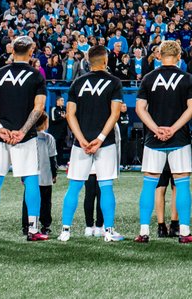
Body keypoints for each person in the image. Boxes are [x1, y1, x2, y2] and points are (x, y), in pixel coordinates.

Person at [0, 36, 48, 241]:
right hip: (24, 137)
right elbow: (39, 108)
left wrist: (0, 128)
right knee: (31, 180)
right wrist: (23, 131)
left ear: (12, 51)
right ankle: (33, 229)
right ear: (31, 52)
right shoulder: (36, 76)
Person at [134, 40, 192, 244]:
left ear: (159, 55)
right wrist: (173, 129)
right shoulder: (187, 78)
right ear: (179, 56)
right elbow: (191, 109)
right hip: (179, 138)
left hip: (153, 139)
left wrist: (156, 129)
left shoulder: (148, 78)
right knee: (182, 184)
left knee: (149, 185)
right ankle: (184, 232)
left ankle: (144, 232)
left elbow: (140, 109)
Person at [57, 45, 123, 242]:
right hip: (106, 143)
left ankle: (65, 231)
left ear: (88, 61)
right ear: (105, 61)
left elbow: (70, 114)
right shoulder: (114, 82)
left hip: (82, 143)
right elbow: (115, 113)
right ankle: (108, 232)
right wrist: (101, 138)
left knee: (74, 187)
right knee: (106, 186)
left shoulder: (77, 82)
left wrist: (82, 139)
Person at [22, 115, 58, 236]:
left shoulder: (28, 137)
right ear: (44, 123)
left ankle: (26, 226)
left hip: (30, 175)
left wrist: (23, 176)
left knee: (28, 201)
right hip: (45, 176)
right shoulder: (48, 138)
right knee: (46, 202)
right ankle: (45, 225)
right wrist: (54, 174)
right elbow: (53, 158)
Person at [48, 95, 69, 165]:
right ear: (57, 101)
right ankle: (53, 164)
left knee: (61, 149)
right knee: (54, 149)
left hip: (62, 133)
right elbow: (53, 119)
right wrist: (63, 117)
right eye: (61, 100)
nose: (63, 101)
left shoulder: (64, 109)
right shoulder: (54, 109)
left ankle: (59, 164)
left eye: (63, 100)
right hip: (55, 133)